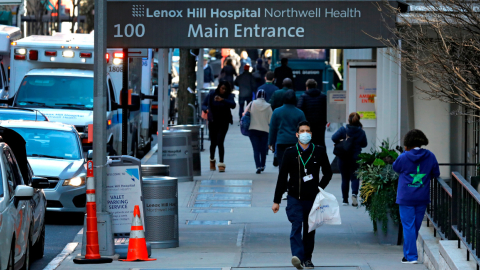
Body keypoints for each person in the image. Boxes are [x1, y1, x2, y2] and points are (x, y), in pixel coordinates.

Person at [272, 120, 333, 270]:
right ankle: (297, 257)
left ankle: (307, 258)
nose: (305, 133)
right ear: (297, 134)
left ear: (311, 134)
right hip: (294, 197)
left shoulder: (318, 151)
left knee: (309, 230)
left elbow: (328, 173)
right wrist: (276, 200)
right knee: (296, 225)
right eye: (302, 131)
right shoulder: (290, 152)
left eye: (308, 131)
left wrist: (319, 187)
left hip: (312, 198)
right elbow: (282, 177)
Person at [393, 129, 440, 264]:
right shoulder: (430, 156)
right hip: (422, 196)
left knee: (408, 226)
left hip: (405, 196)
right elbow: (436, 173)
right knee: (415, 226)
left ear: (408, 143)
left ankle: (411, 256)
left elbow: (395, 168)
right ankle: (408, 255)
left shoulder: (404, 156)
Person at [331, 112, 368, 206]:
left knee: (345, 178)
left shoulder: (343, 130)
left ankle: (345, 200)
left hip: (343, 157)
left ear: (349, 120)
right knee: (355, 177)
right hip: (355, 158)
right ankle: (354, 194)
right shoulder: (361, 132)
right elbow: (364, 144)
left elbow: (333, 137)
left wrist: (341, 140)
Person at [202, 81, 236, 173]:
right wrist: (206, 109)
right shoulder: (212, 94)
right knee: (213, 142)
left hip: (224, 121)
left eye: (225, 89)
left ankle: (221, 163)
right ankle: (212, 160)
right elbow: (204, 104)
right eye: (222, 88)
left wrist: (223, 100)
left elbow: (233, 105)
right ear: (219, 88)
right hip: (213, 121)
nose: (223, 90)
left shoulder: (229, 96)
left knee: (220, 141)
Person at [268, 90, 306, 169]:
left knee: (282, 165)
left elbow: (273, 128)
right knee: (295, 166)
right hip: (295, 142)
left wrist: (270, 142)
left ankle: (283, 180)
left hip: (281, 141)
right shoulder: (300, 113)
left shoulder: (276, 111)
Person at [244, 89, 272, 174]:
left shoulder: (252, 103)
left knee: (256, 149)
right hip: (264, 130)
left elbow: (244, 114)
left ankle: (258, 166)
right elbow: (271, 120)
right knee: (263, 149)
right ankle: (263, 165)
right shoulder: (268, 106)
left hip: (253, 130)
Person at [297, 79, 327, 147]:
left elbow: (299, 110)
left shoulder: (303, 97)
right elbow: (327, 110)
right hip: (320, 124)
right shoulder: (323, 97)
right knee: (320, 142)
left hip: (308, 124)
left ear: (307, 87)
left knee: (308, 143)